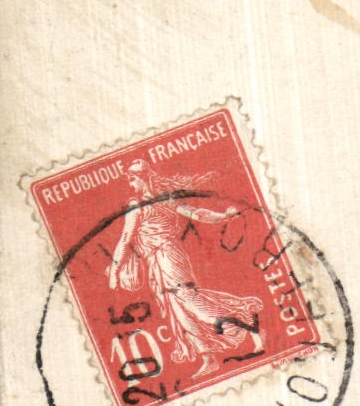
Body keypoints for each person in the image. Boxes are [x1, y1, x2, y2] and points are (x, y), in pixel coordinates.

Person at [106, 157, 265, 377]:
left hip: (168, 257)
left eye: (133, 179)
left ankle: (247, 323)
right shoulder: (158, 201)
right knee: (178, 311)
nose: (131, 183)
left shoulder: (144, 206)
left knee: (190, 301)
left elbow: (126, 240)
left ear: (144, 179)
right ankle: (208, 358)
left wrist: (114, 272)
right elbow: (195, 213)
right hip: (156, 262)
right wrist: (222, 216)